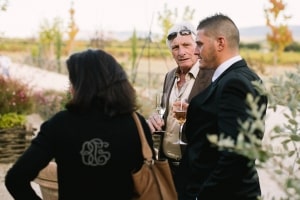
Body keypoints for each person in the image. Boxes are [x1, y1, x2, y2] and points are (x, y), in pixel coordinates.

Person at [5, 49, 155, 200]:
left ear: (83, 85)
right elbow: (150, 177)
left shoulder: (60, 124)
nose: (70, 87)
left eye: (73, 81)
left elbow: (15, 179)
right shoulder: (136, 124)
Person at [175, 13, 268, 200]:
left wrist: (201, 196)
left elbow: (236, 155)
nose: (195, 51)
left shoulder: (234, 83)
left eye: (200, 44)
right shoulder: (241, 77)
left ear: (220, 43)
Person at [147, 22, 214, 176]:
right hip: (166, 163)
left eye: (186, 45)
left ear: (197, 47)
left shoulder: (211, 77)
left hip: (194, 164)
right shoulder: (169, 76)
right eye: (175, 47)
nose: (181, 52)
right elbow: (164, 111)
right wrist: (155, 119)